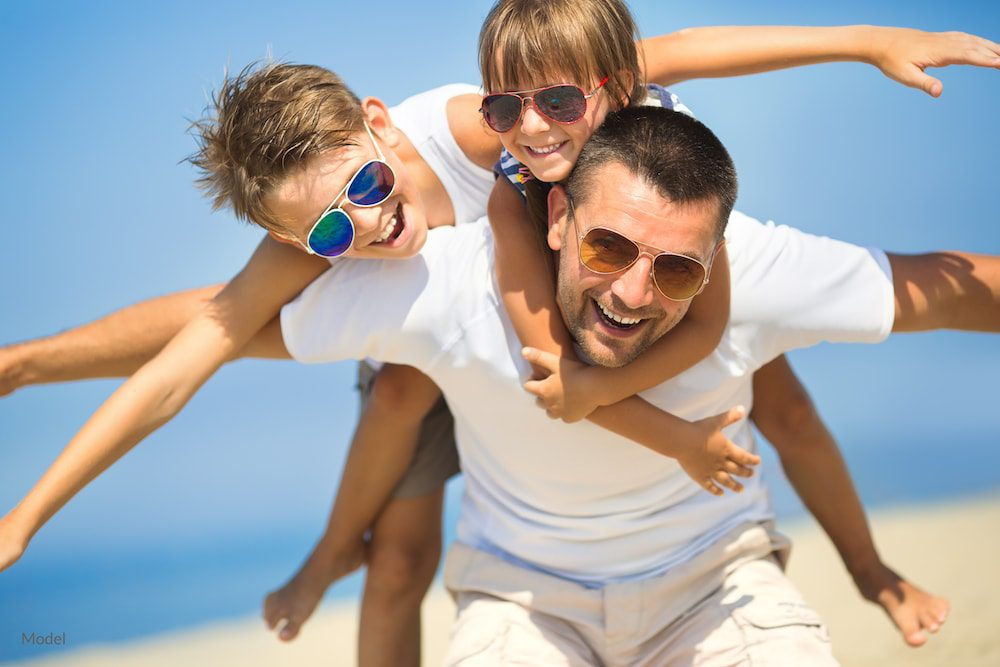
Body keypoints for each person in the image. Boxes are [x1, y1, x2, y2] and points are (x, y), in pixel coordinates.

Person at [3, 8, 998, 656]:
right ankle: (306, 550)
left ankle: (870, 571)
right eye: (325, 230)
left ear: (384, 125)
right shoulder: (339, 239)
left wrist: (863, 41)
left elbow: (671, 56)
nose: (365, 224)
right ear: (286, 233)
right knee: (396, 466)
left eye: (365, 187)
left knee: (766, 387)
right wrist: (30, 504)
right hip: (481, 335)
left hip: (600, 279)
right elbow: (196, 344)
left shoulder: (494, 134)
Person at [272, 106, 999, 663]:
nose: (630, 292)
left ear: (717, 262)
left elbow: (958, 293)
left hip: (717, 586)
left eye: (677, 269)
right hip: (523, 603)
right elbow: (225, 326)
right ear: (558, 217)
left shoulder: (762, 274)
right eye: (608, 246)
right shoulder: (451, 281)